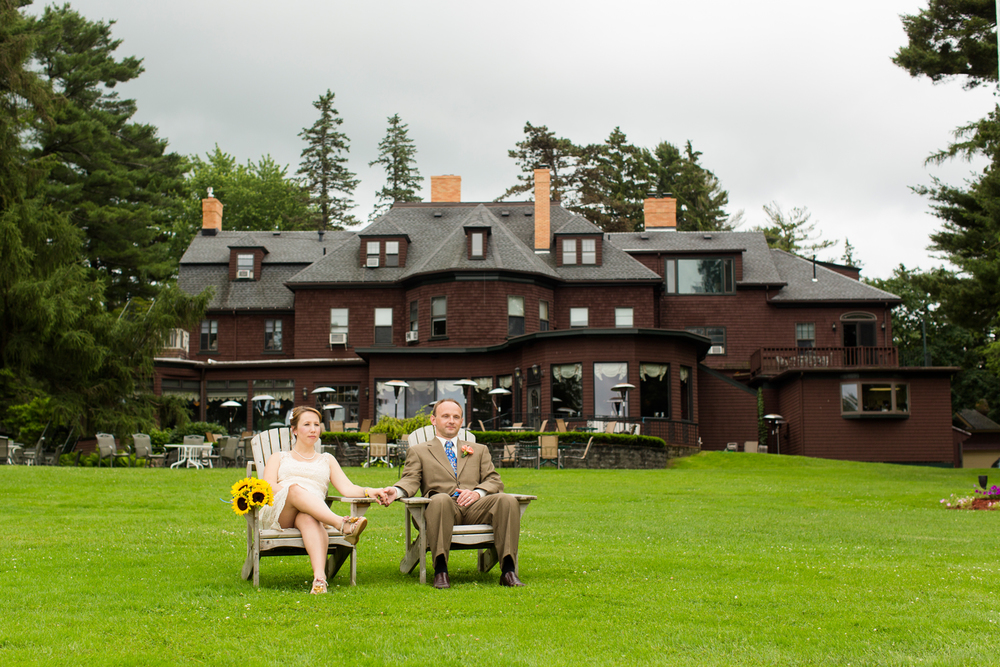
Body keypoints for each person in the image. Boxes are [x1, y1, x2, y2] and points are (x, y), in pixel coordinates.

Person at [376, 398, 525, 588]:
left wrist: (478, 493)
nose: (451, 421)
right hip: (439, 509)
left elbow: (494, 480)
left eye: (456, 417)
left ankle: (508, 571)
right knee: (441, 499)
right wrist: (396, 491)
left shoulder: (479, 450)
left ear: (461, 422)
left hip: (474, 508)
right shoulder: (419, 451)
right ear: (433, 420)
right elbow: (411, 479)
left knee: (507, 501)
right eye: (445, 416)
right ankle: (440, 570)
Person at [260, 406, 390, 594]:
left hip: (314, 512)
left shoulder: (326, 459)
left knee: (308, 517)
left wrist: (371, 490)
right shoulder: (279, 457)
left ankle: (319, 579)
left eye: (316, 424)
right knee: (295, 489)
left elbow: (347, 488)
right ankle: (342, 523)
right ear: (294, 430)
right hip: (281, 513)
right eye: (306, 424)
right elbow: (268, 485)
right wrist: (294, 494)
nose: (313, 429)